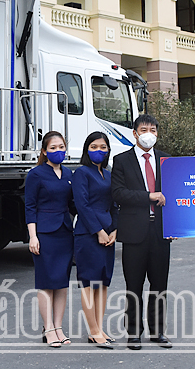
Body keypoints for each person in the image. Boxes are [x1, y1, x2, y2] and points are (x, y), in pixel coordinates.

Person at [111, 114, 173, 350]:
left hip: (160, 232)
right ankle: (133, 333)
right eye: (144, 129)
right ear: (135, 133)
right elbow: (118, 193)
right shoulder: (122, 161)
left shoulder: (166, 160)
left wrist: (175, 225)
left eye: (153, 130)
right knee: (134, 285)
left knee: (159, 284)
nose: (149, 134)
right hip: (134, 232)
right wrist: (148, 196)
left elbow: (176, 194)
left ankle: (158, 332)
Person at [25, 131, 74, 347]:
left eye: (61, 147)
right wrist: (32, 236)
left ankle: (59, 327)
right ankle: (48, 329)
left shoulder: (69, 173)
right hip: (44, 233)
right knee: (46, 282)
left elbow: (74, 203)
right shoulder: (35, 174)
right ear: (44, 151)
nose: (58, 151)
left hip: (65, 232)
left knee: (62, 283)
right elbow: (30, 207)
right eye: (53, 148)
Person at [72, 132, 118, 349]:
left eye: (103, 147)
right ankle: (93, 331)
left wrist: (115, 229)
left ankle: (100, 328)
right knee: (89, 283)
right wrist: (98, 231)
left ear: (108, 150)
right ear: (86, 149)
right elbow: (82, 205)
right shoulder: (81, 173)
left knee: (103, 282)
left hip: (108, 233)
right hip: (88, 233)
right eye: (94, 147)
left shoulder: (108, 174)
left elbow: (115, 205)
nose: (99, 150)